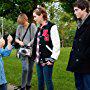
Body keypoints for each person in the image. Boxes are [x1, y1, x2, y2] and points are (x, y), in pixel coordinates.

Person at [32, 6, 60, 90]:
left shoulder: (52, 27)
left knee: (48, 81)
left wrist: (52, 58)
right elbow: (36, 43)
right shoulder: (39, 28)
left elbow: (57, 44)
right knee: (40, 81)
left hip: (47, 59)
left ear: (41, 15)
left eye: (35, 16)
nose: (34, 19)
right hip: (38, 59)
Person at [66, 0, 90, 90]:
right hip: (77, 64)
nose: (74, 12)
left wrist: (83, 56)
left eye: (76, 10)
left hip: (86, 64)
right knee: (79, 87)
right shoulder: (80, 23)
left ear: (84, 9)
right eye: (74, 10)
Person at [15, 13, 37, 90]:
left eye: (22, 23)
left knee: (30, 69)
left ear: (25, 19)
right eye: (20, 23)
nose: (21, 24)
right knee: (25, 69)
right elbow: (16, 38)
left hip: (32, 50)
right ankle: (23, 86)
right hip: (23, 50)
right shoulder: (19, 27)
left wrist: (29, 44)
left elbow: (35, 37)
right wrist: (19, 42)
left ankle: (28, 85)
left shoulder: (32, 26)